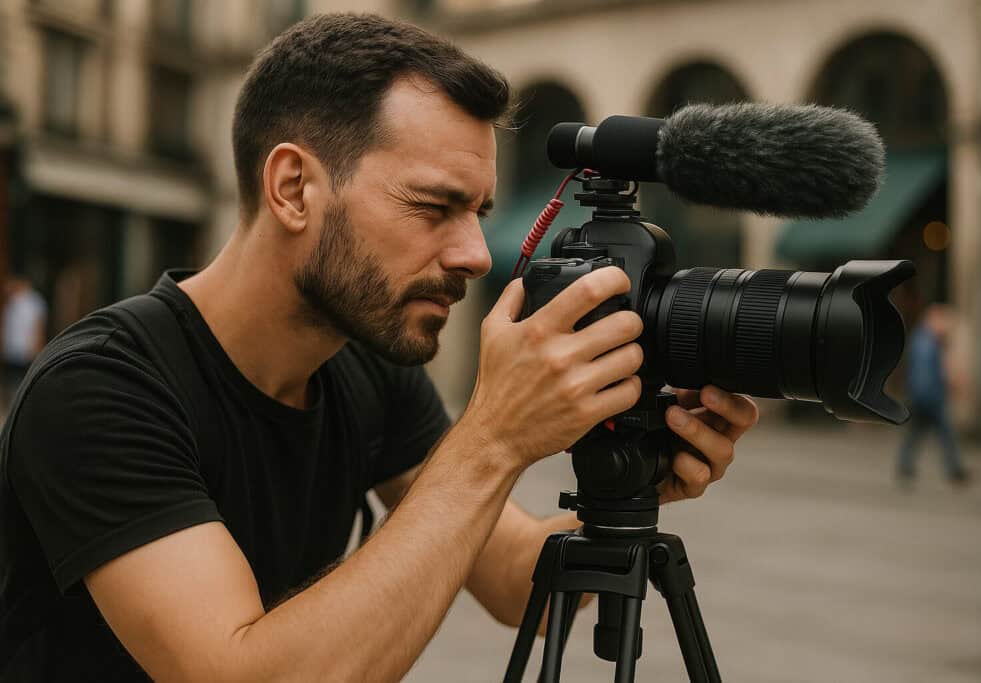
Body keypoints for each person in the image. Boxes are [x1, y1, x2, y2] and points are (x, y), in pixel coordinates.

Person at [0, 13, 759, 681]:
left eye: (481, 212)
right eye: (436, 206)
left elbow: (508, 574)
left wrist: (633, 485)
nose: (475, 254)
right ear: (294, 188)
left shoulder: (362, 360)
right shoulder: (101, 387)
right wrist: (491, 438)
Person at [896, 303, 969, 486]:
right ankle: (954, 470)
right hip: (929, 398)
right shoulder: (926, 343)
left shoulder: (925, 340)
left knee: (917, 434)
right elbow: (926, 375)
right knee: (944, 434)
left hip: (924, 396)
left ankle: (905, 466)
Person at [1, 273, 47, 410]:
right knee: (12, 381)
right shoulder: (12, 301)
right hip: (12, 349)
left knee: (23, 382)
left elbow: (38, 326)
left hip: (26, 349)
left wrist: (36, 347)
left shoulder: (35, 302)